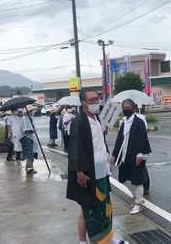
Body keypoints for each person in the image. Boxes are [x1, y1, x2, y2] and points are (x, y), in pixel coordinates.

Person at [66, 89, 113, 244]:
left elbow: (100, 143)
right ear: (83, 103)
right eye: (91, 100)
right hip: (88, 172)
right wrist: (79, 172)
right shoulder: (79, 121)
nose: (95, 102)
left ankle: (105, 238)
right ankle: (84, 241)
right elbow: (75, 148)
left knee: (102, 207)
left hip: (101, 170)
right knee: (88, 210)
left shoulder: (97, 118)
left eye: (97, 99)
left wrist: (108, 158)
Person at [111, 99, 152, 215]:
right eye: (123, 107)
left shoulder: (139, 122)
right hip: (125, 155)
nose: (125, 110)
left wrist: (141, 155)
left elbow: (143, 139)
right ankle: (137, 197)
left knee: (137, 180)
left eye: (128, 107)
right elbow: (119, 139)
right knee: (124, 178)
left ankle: (138, 203)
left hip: (137, 155)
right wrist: (114, 154)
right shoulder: (124, 122)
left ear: (133, 108)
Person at [133, 106, 150, 195]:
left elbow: (144, 133)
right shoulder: (124, 120)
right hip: (131, 150)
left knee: (142, 168)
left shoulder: (141, 118)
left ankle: (145, 187)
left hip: (142, 148)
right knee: (138, 169)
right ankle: (140, 188)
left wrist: (141, 152)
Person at [19, 105, 38, 174]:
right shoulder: (24, 119)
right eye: (31, 111)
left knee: (32, 152)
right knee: (29, 153)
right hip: (26, 138)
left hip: (30, 137)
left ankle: (29, 167)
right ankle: (29, 168)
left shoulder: (30, 118)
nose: (33, 112)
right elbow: (25, 130)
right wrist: (32, 130)